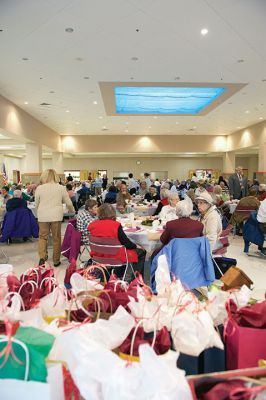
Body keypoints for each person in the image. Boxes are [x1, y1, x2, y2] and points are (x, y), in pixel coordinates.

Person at [88, 203, 146, 277]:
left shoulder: (92, 225)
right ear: (113, 213)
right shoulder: (116, 225)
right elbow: (127, 244)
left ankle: (109, 274)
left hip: (98, 257)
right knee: (141, 251)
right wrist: (136, 246)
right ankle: (136, 280)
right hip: (115, 258)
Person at [35, 169, 75, 267]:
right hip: (56, 215)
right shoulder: (61, 188)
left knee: (42, 237)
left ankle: (42, 257)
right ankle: (56, 260)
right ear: (55, 176)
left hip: (43, 215)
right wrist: (72, 211)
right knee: (56, 238)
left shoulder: (39, 188)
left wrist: (39, 212)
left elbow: (36, 203)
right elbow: (69, 203)